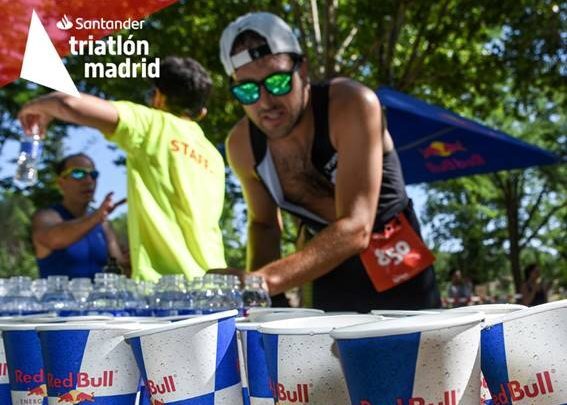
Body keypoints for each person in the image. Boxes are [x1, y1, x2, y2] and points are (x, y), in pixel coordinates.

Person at [219, 12, 441, 312]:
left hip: (396, 259)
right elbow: (264, 224)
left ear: (304, 69)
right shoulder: (241, 145)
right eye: (247, 90)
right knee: (328, 359)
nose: (265, 101)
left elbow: (356, 227)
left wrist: (263, 281)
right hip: (324, 266)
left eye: (279, 82)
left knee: (418, 358)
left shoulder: (351, 104)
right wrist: (259, 301)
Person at [19, 56, 227, 281]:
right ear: (201, 112)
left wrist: (33, 108)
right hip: (215, 281)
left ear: (158, 97)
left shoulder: (151, 123)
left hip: (166, 289)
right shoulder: (212, 154)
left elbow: (68, 103)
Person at [32, 153, 125, 279]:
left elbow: (121, 265)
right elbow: (55, 239)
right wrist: (96, 217)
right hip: (57, 298)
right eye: (78, 173)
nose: (88, 181)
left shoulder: (103, 223)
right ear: (61, 182)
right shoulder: (45, 217)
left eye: (93, 175)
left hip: (98, 298)